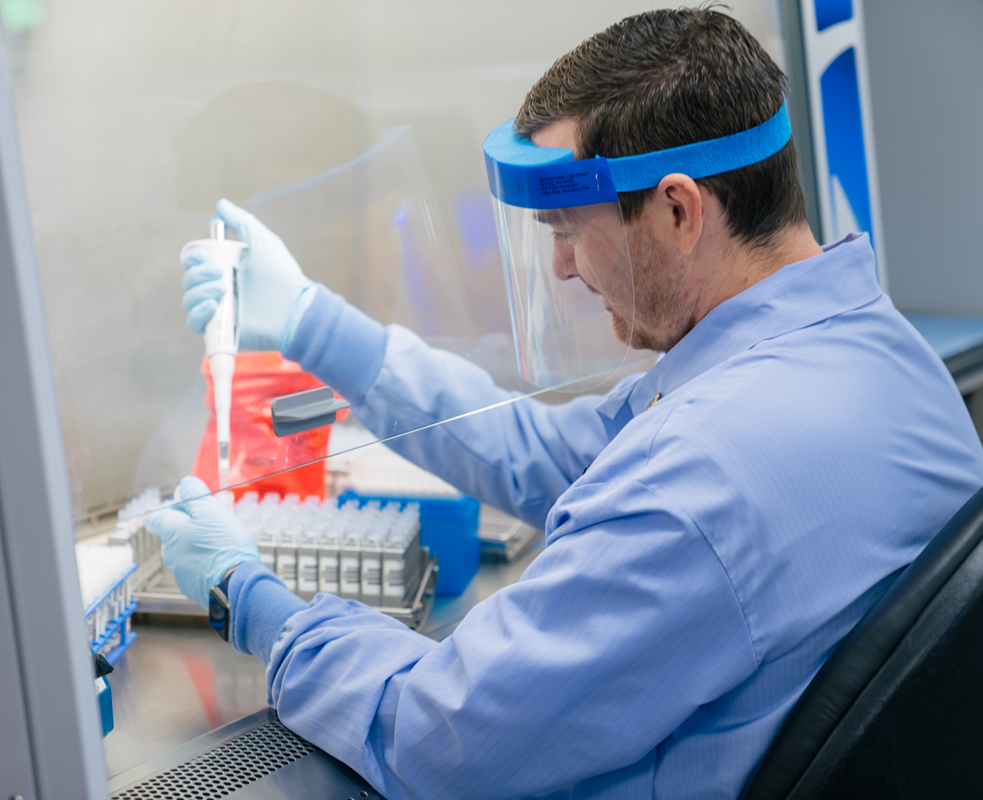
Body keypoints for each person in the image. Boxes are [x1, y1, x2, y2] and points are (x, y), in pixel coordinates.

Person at [147, 9, 983, 799]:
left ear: (679, 211)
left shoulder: (697, 477)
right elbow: (546, 455)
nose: (563, 270)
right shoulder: (874, 350)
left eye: (568, 230)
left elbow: (436, 737)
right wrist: (312, 321)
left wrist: (247, 600)